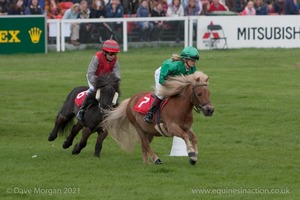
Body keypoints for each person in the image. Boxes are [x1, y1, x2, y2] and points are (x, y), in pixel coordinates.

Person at [144, 46, 200, 123]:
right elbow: (162, 81)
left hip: (175, 79)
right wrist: (173, 86)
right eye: (192, 60)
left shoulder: (192, 68)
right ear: (185, 59)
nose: (194, 62)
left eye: (195, 60)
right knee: (161, 94)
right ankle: (150, 113)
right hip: (162, 75)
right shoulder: (172, 66)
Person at [77, 39, 121, 122]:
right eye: (110, 53)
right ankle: (82, 110)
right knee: (92, 90)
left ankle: (115, 112)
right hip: (94, 79)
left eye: (114, 54)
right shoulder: (96, 57)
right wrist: (100, 84)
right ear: (104, 52)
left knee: (115, 93)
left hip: (107, 81)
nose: (112, 56)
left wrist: (112, 84)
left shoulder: (116, 61)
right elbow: (90, 73)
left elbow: (117, 76)